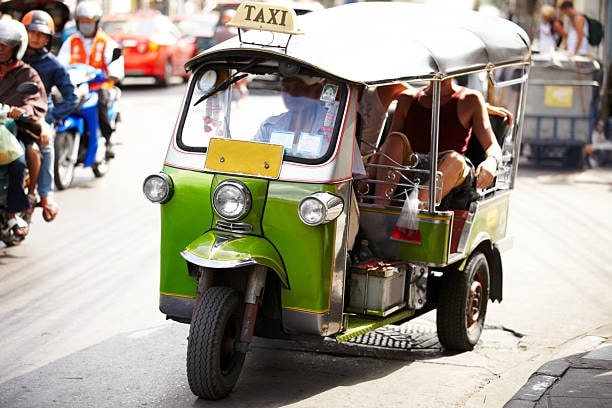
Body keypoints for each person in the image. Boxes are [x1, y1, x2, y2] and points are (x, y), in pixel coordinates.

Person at [373, 78, 504, 209]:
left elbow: (492, 145)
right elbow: (388, 146)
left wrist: (491, 161)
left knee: (455, 160)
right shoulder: (407, 98)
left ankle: (413, 213)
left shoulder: (470, 99)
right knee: (395, 139)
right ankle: (378, 211)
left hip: (451, 171)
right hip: (414, 166)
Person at [22, 10, 78, 222]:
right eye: (32, 32)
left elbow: (71, 98)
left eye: (41, 34)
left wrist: (50, 118)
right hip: (12, 109)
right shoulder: (11, 57)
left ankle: (46, 194)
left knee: (45, 144)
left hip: (40, 113)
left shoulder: (54, 65)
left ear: (48, 37)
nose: (36, 37)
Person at [57, 0, 124, 159]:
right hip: (77, 86)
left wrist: (113, 73)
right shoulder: (70, 42)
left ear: (97, 22)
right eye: (82, 22)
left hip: (101, 86)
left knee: (102, 102)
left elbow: (116, 64)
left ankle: (107, 141)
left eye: (89, 22)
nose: (86, 25)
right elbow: (60, 63)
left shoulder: (108, 43)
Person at [0, 18, 47, 237]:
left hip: (10, 132)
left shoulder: (27, 74)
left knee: (17, 162)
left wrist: (21, 110)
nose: (0, 48)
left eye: (5, 43)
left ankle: (12, 214)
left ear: (17, 47)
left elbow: (35, 100)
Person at [254, 75, 328, 146]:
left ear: (317, 90)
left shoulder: (332, 126)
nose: (292, 94)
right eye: (286, 87)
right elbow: (254, 155)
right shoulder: (268, 126)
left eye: (300, 87)